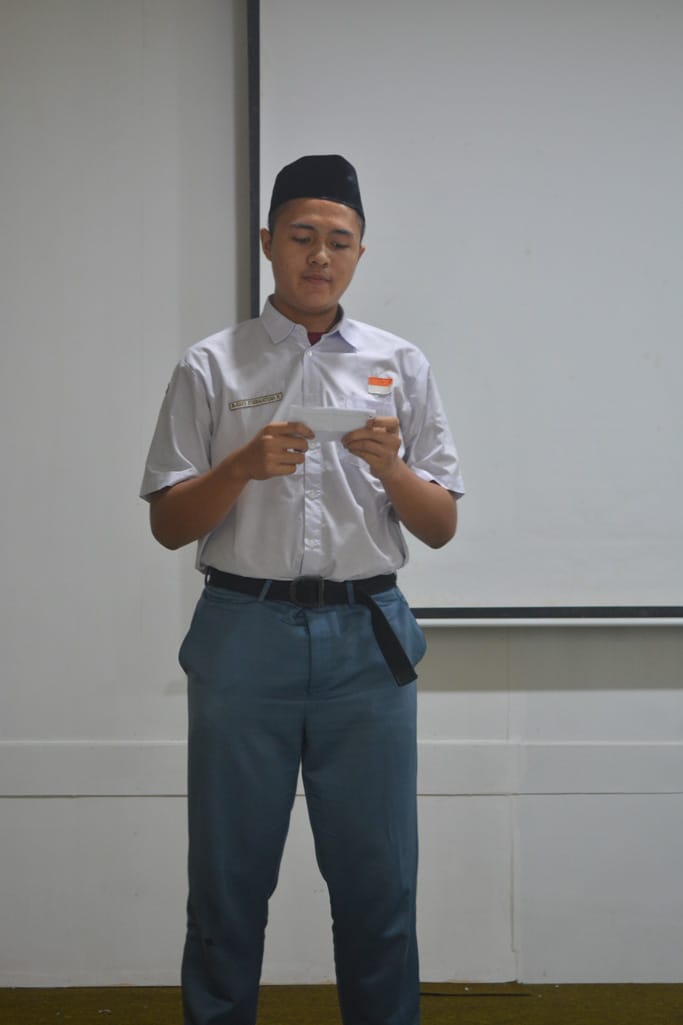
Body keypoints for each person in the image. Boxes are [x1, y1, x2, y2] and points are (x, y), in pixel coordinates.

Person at [140, 154, 464, 1025]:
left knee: (379, 882)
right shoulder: (212, 364)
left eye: (338, 241)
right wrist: (240, 466)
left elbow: (439, 524)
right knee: (226, 880)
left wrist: (391, 467)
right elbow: (169, 524)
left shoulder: (400, 363)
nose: (319, 256)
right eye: (301, 236)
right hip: (242, 632)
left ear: (359, 252)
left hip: (368, 637)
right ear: (267, 243)